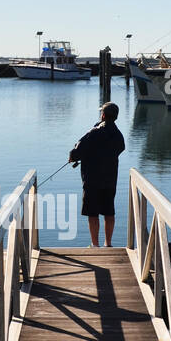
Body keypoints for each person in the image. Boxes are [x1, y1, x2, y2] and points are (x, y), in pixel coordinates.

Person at [69, 102, 126, 247]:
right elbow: (120, 148)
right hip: (109, 180)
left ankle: (95, 245)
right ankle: (108, 244)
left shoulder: (94, 132)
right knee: (109, 211)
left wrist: (73, 157)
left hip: (92, 180)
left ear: (103, 115)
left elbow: (77, 151)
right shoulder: (118, 135)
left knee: (93, 213)